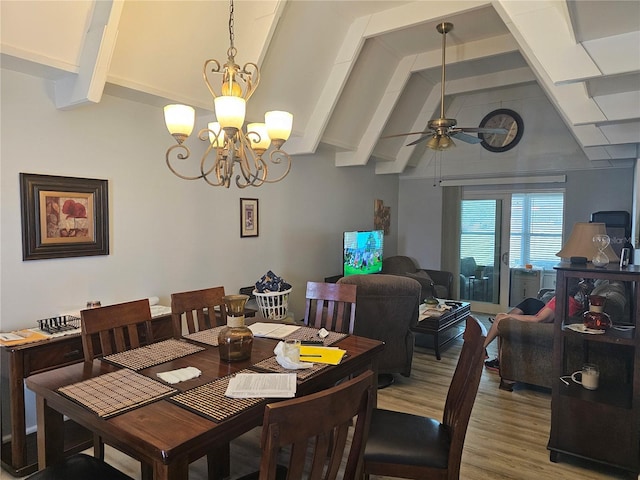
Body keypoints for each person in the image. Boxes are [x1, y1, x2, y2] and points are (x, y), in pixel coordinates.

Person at [484, 278, 591, 372]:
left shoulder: (562, 300)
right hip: (542, 325)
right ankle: (486, 350)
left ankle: (483, 351)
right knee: (525, 304)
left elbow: (538, 319)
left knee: (500, 320)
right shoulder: (575, 303)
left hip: (537, 329)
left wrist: (508, 317)